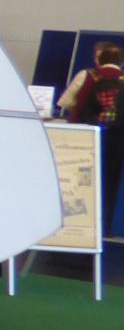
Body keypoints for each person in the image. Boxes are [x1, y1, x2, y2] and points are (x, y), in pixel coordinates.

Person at [68, 42, 124, 226]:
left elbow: (72, 104)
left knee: (82, 181)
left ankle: (79, 222)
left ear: (98, 59)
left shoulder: (89, 76)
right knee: (111, 181)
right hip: (117, 139)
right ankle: (105, 224)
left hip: (90, 135)